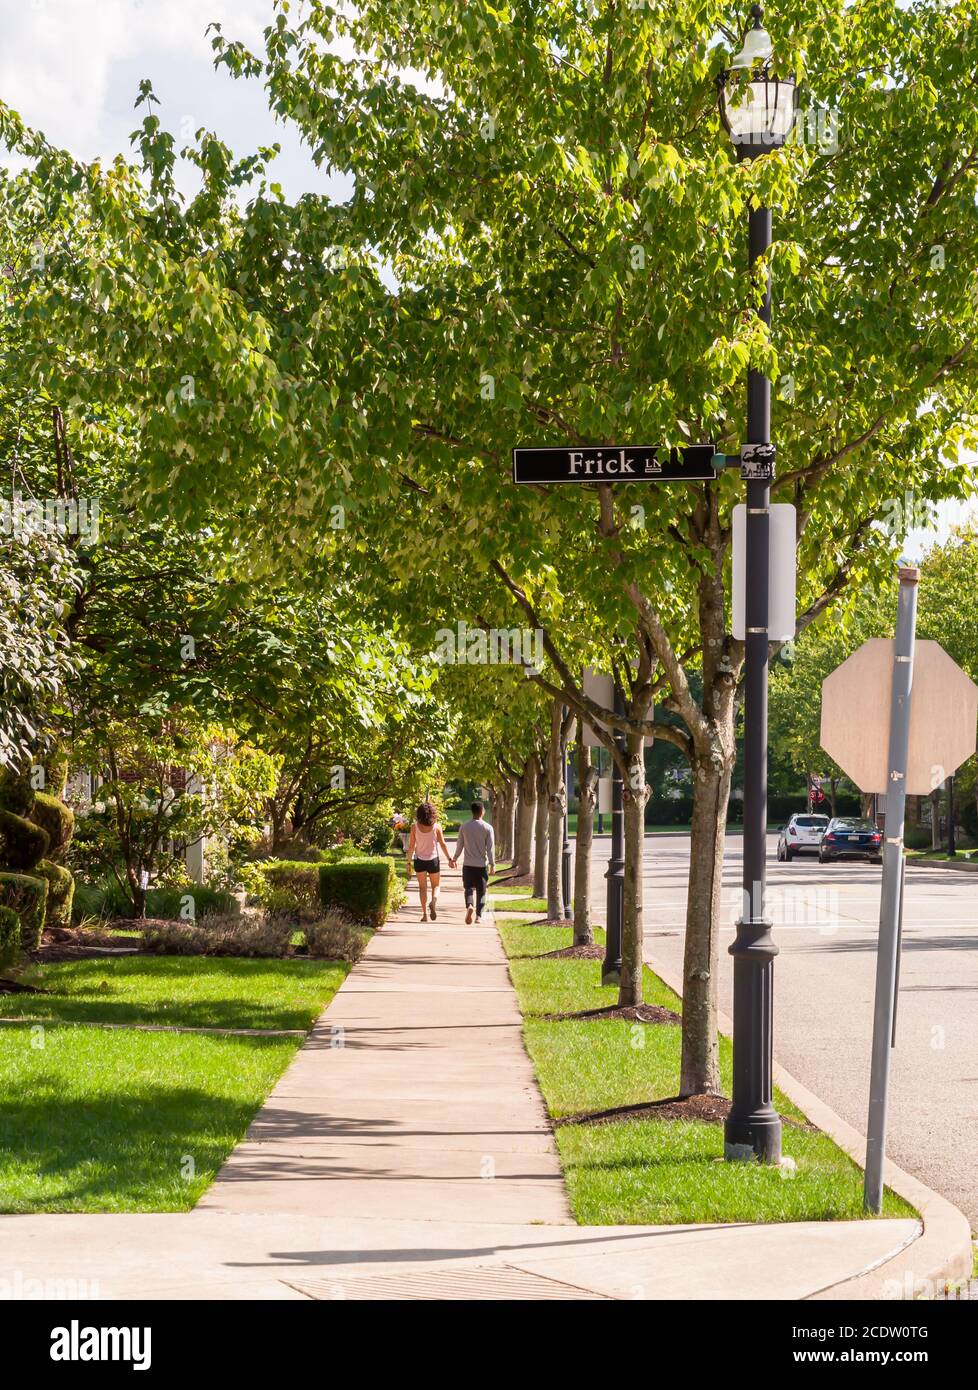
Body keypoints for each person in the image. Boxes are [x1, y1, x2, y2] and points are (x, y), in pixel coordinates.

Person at [451, 801, 495, 924]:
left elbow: (459, 845)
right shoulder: (488, 828)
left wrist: (454, 859)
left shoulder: (464, 827)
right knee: (482, 891)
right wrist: (492, 864)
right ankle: (478, 916)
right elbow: (490, 849)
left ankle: (469, 905)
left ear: (472, 812)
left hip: (468, 865)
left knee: (468, 888)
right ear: (482, 812)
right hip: (481, 865)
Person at [407, 801, 451, 922]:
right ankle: (434, 901)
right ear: (433, 814)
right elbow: (443, 844)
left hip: (419, 861)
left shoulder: (414, 827)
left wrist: (408, 862)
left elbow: (411, 846)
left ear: (419, 814)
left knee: (422, 888)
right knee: (436, 886)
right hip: (433, 860)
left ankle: (425, 914)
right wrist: (449, 859)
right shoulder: (437, 826)